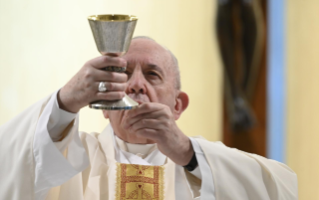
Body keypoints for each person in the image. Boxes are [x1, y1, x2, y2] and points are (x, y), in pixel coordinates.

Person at [0, 37, 297, 200]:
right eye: (124, 74)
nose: (136, 85)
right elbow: (13, 163)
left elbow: (281, 189)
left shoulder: (207, 166)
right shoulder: (66, 159)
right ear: (104, 105)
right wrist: (65, 100)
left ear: (177, 104)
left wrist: (185, 151)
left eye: (152, 74)